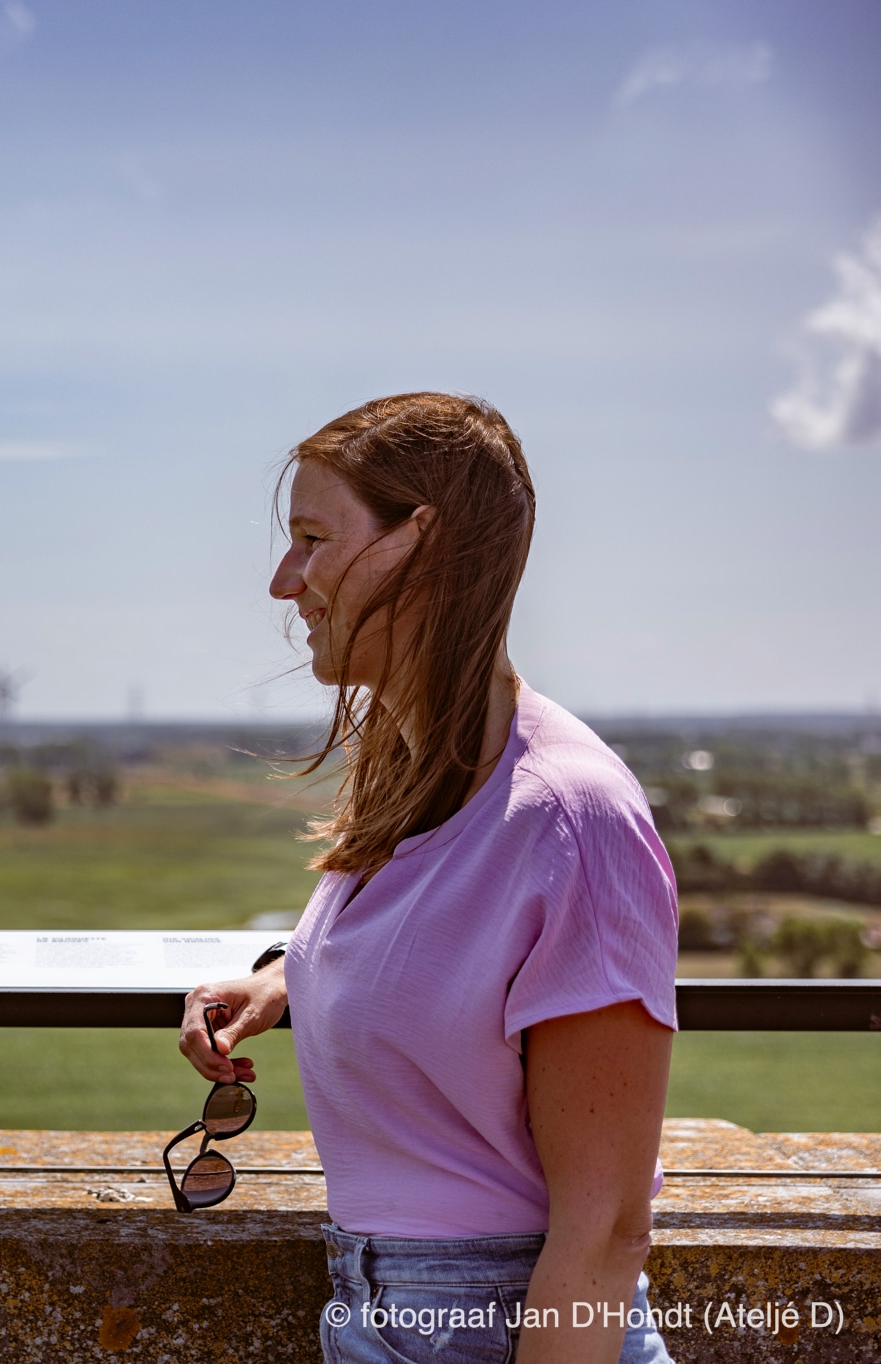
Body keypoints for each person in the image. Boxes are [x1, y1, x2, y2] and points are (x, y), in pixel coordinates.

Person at [180, 394, 677, 1364]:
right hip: (382, 1308)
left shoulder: (570, 816)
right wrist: (294, 974)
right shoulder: (416, 771)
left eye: (313, 537)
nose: (285, 581)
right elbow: (458, 952)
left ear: (421, 542)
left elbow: (606, 1227)